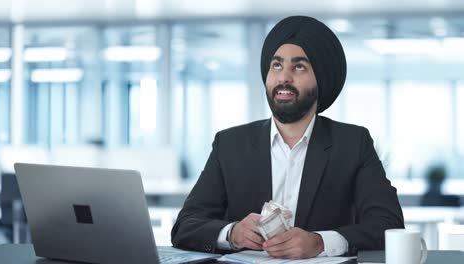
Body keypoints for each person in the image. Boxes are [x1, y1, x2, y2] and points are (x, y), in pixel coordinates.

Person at [171, 15, 404, 259]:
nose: (284, 77)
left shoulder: (353, 144)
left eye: (299, 67)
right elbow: (186, 225)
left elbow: (388, 226)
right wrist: (232, 233)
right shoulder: (230, 144)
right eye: (277, 65)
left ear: (321, 79)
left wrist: (321, 242)